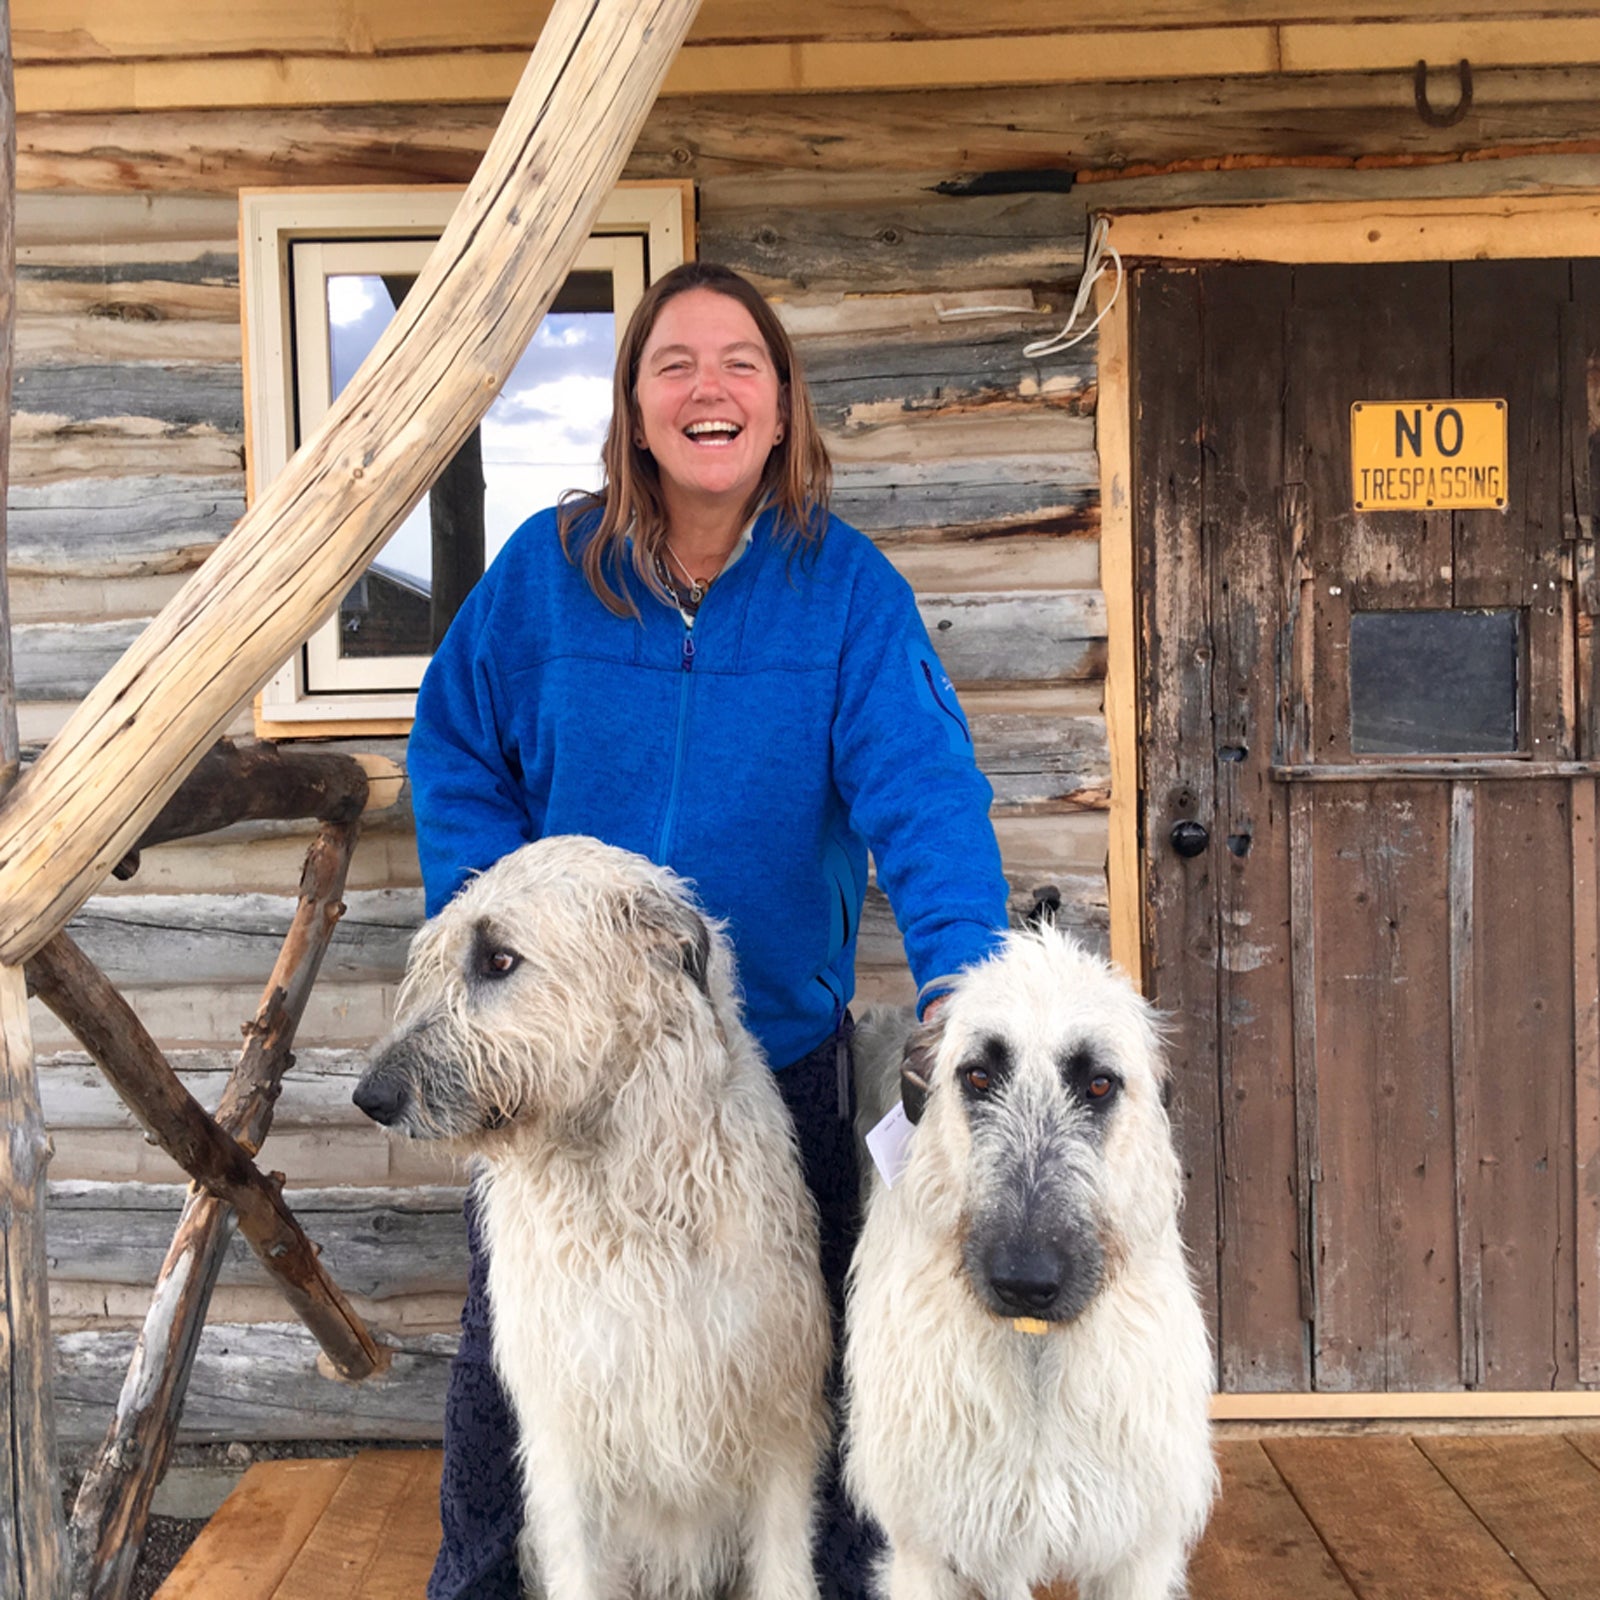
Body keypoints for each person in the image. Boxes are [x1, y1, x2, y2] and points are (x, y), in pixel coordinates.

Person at [408, 260, 1011, 1599]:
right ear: (632, 410)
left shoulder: (847, 594)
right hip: (563, 1084)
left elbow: (922, 790)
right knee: (516, 1374)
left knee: (800, 1377)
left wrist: (963, 981)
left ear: (784, 406)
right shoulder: (543, 579)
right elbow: (454, 747)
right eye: (672, 363)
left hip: (772, 1062)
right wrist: (490, 932)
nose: (708, 387)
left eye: (740, 361)